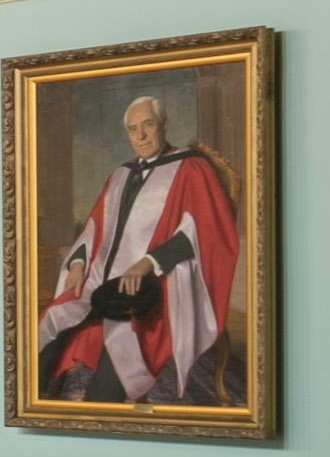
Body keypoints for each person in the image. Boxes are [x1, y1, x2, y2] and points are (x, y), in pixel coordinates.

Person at [41, 88, 244, 404]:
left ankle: (100, 408)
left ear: (164, 123)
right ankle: (38, 398)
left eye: (148, 124)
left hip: (157, 283)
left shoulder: (191, 169)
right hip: (102, 279)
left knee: (122, 346)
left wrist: (149, 261)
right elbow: (95, 225)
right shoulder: (121, 174)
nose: (141, 135)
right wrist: (79, 262)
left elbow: (207, 232)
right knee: (54, 322)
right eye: (133, 129)